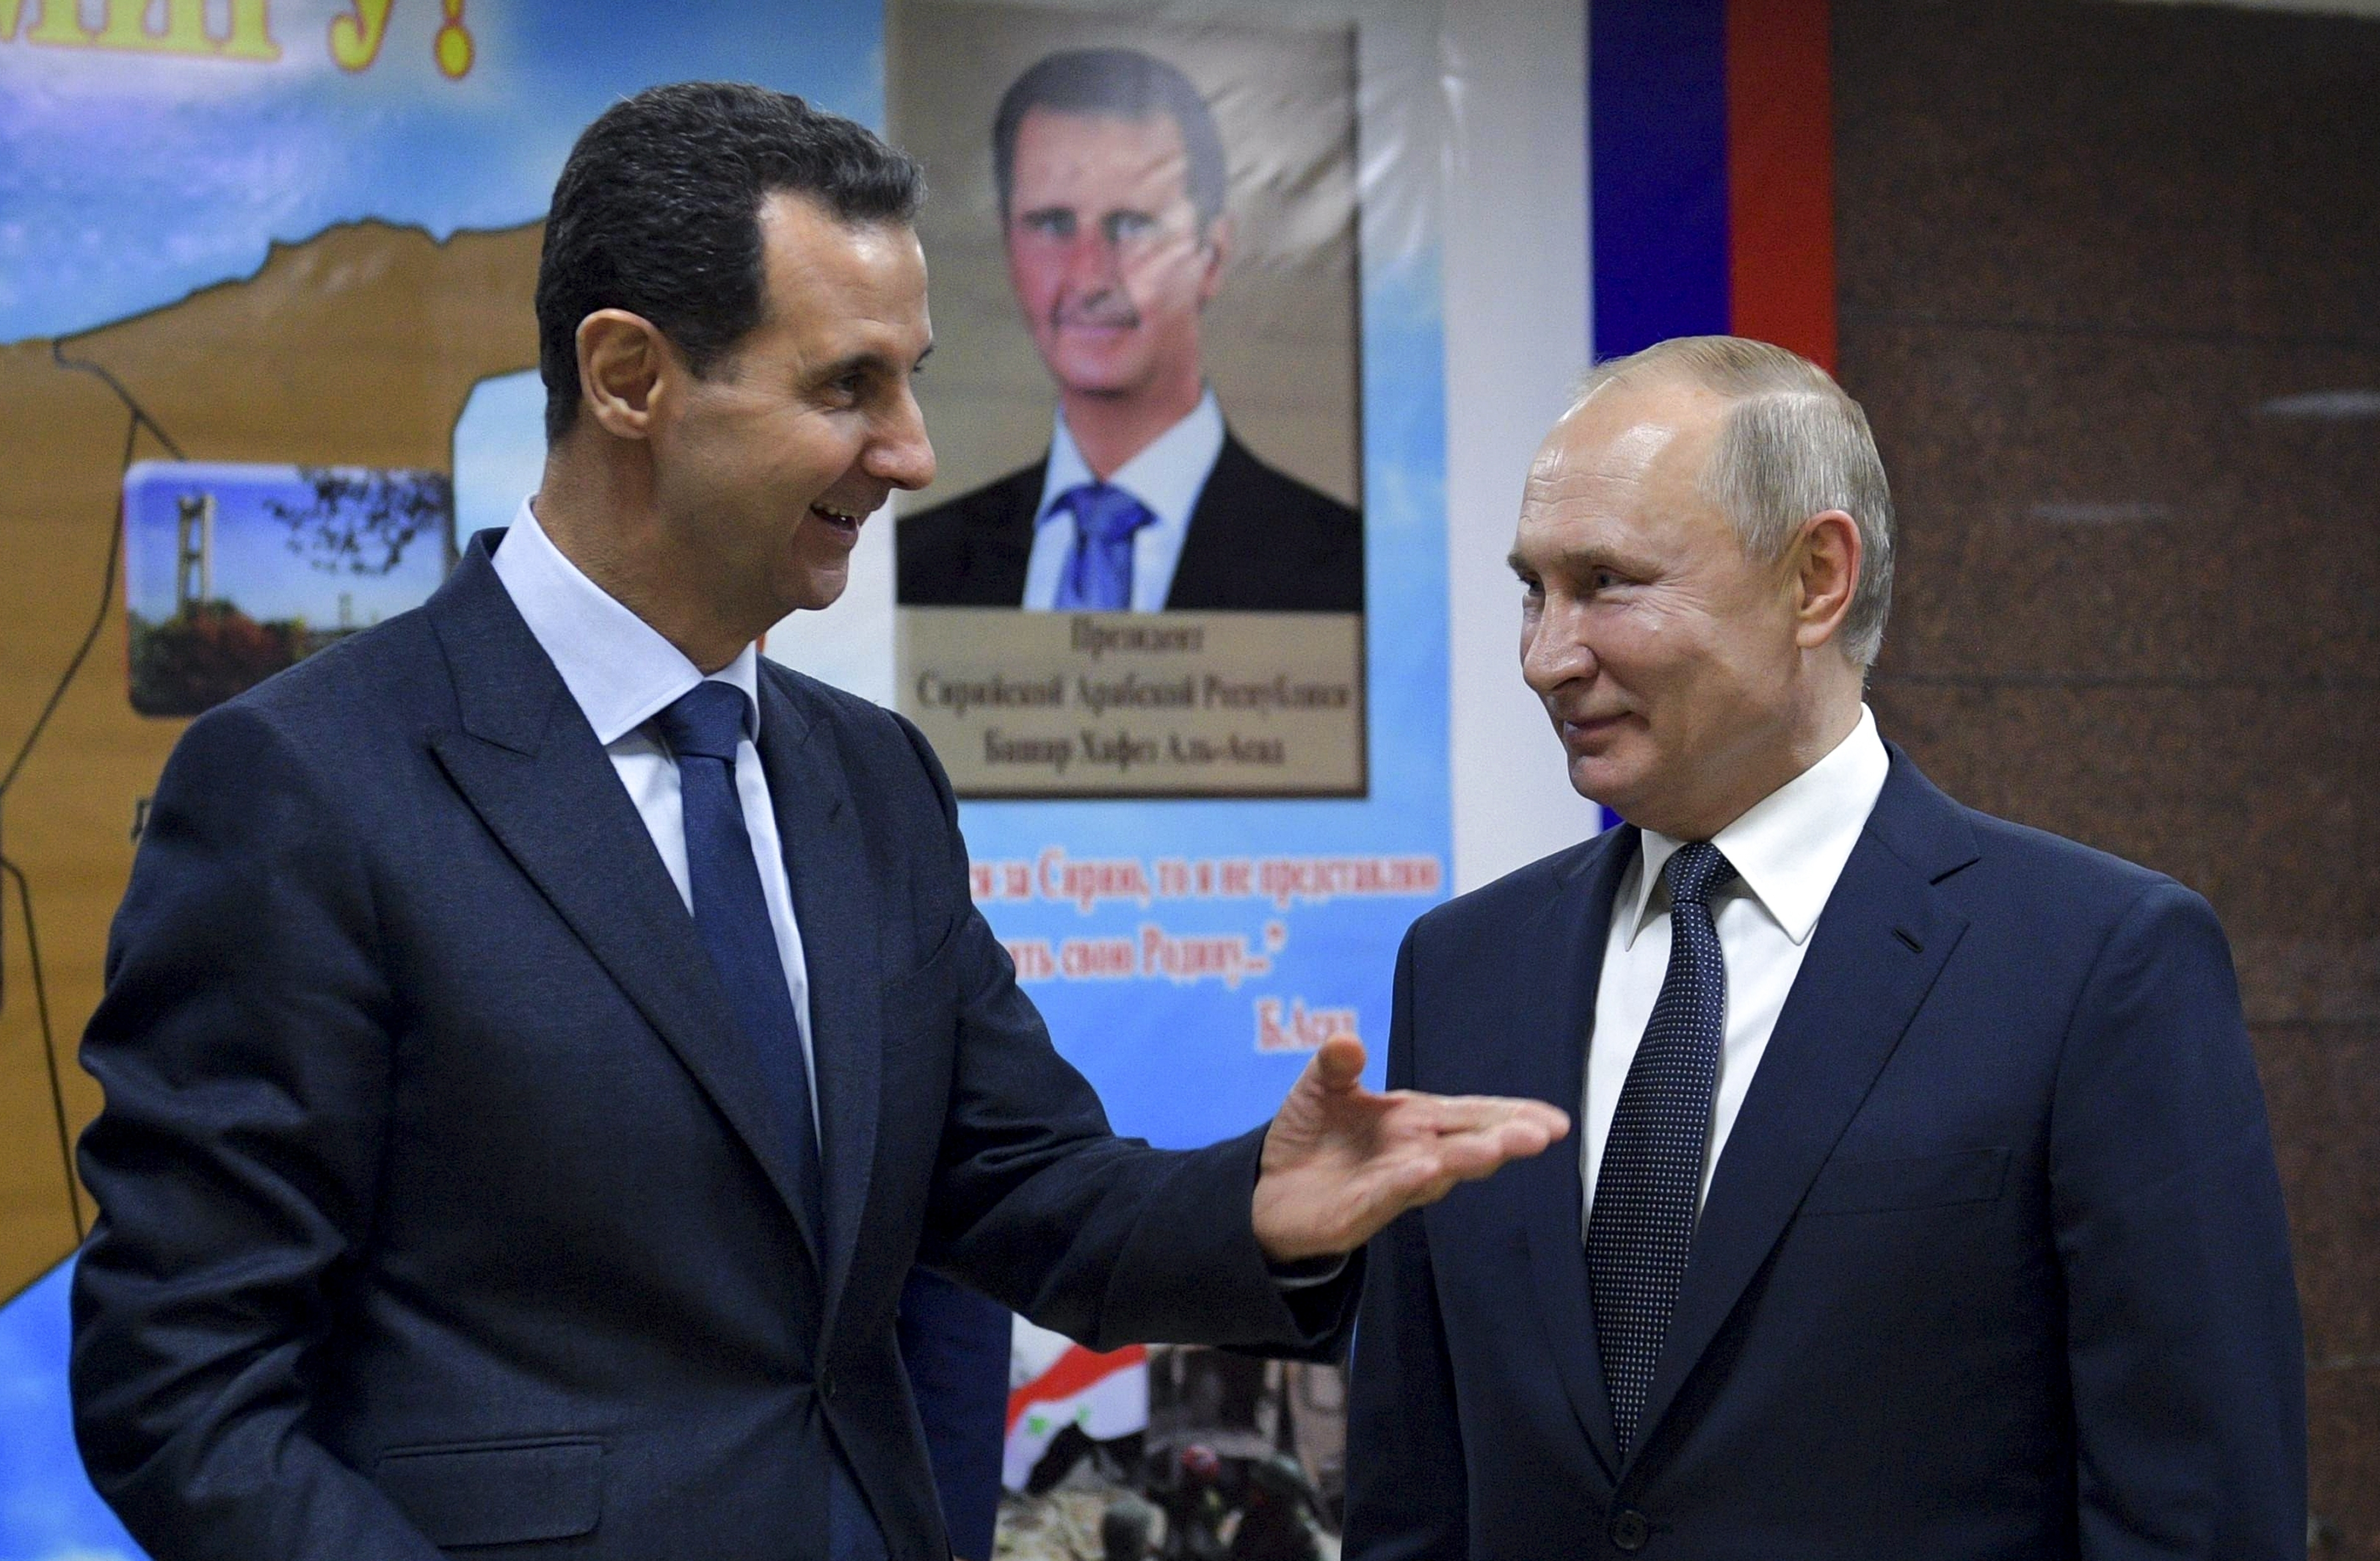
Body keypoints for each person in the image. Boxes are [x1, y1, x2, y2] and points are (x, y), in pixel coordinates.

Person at [69, 83, 1567, 1561]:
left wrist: (1261, 1208)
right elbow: (183, 1394)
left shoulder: (874, 783)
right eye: (846, 386)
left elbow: (1019, 1186)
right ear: (628, 378)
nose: (913, 451)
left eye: (909, 380)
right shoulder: (306, 785)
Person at [1342, 336, 2305, 1558]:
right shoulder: (1463, 967)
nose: (1547, 654)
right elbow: (1411, 1493)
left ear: (1815, 577)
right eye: (1534, 588)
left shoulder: (2097, 965)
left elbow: (2200, 1512)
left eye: (1606, 582)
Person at [895, 47, 1362, 614]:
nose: (1091, 277)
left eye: (1134, 225)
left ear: (1212, 254)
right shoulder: (920, 564)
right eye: (1051, 223)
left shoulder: (1344, 567)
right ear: (1008, 243)